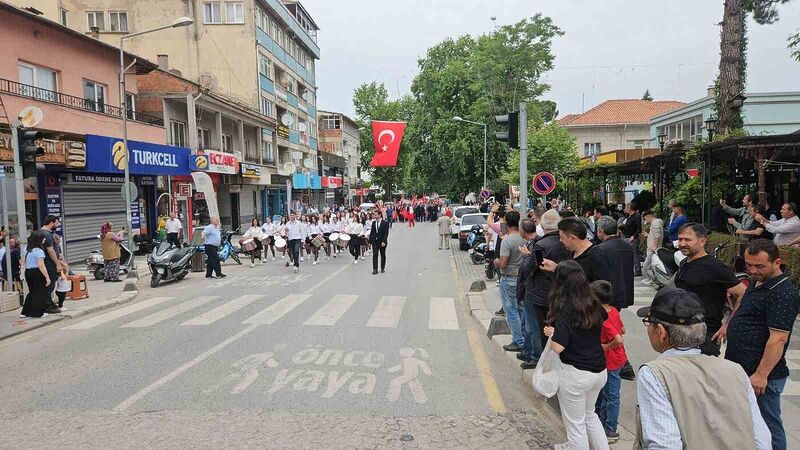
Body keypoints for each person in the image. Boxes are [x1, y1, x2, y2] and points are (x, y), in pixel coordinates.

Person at [635, 287, 771, 449]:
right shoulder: (735, 370)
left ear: (661, 332)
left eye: (649, 323)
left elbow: (665, 444)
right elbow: (762, 439)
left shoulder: (655, 374)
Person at [725, 239, 800, 450]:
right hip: (742, 369)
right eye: (749, 265)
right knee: (748, 424)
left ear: (777, 262)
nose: (753, 270)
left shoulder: (783, 292)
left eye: (759, 266)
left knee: (768, 426)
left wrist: (761, 374)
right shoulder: (758, 282)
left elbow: (778, 338)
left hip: (762, 376)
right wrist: (727, 325)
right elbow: (743, 305)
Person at [543, 261, 609, 450]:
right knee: (590, 415)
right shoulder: (594, 303)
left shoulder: (566, 309)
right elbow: (602, 318)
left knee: (576, 425)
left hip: (576, 374)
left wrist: (552, 333)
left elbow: (557, 347)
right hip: (599, 371)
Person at [674, 222, 747, 356]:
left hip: (705, 335)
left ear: (702, 241)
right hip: (682, 331)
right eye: (680, 239)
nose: (682, 243)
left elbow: (744, 293)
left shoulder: (714, 266)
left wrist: (728, 325)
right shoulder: (685, 262)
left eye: (687, 239)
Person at [518, 211, 569, 369]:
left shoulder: (541, 245)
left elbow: (530, 268)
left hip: (539, 292)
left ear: (543, 226)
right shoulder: (565, 242)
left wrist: (527, 257)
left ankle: (537, 357)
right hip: (559, 291)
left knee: (536, 328)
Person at [590, 280, 627, 443]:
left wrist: (605, 346)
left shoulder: (603, 319)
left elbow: (618, 339)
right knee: (604, 393)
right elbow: (623, 329)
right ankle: (600, 421)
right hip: (616, 358)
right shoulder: (613, 311)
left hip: (611, 361)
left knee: (611, 395)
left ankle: (610, 429)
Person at [494, 210, 526, 353]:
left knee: (511, 311)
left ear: (506, 223)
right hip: (522, 279)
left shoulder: (507, 241)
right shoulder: (525, 238)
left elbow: (503, 263)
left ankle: (518, 341)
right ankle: (524, 338)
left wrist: (496, 262)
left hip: (510, 279)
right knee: (522, 310)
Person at [593, 216, 634, 310]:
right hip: (623, 290)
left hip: (607, 293)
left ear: (601, 231)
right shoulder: (627, 246)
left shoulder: (600, 249)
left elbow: (599, 274)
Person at [21, 230, 51, 319]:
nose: (44, 240)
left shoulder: (26, 249)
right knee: (39, 293)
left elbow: (22, 261)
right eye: (43, 238)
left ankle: (25, 312)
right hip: (37, 272)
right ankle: (37, 313)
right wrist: (47, 277)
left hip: (28, 272)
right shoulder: (39, 251)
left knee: (32, 292)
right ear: (39, 240)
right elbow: (41, 265)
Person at [40, 215, 63, 312]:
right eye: (56, 223)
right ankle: (48, 305)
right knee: (50, 285)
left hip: (44, 263)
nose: (58, 225)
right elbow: (50, 251)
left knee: (47, 285)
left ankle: (47, 303)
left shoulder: (40, 232)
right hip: (49, 264)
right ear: (51, 223)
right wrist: (58, 264)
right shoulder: (47, 234)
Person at [640, 210, 664, 286]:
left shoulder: (655, 223)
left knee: (647, 265)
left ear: (649, 216)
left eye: (645, 219)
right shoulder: (657, 222)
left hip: (653, 248)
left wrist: (655, 246)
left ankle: (651, 279)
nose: (646, 221)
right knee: (651, 265)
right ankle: (651, 279)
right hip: (653, 247)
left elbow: (657, 235)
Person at [622, 203, 642, 276]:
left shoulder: (636, 216)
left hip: (632, 237)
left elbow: (639, 228)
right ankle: (633, 269)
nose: (625, 209)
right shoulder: (630, 217)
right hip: (627, 236)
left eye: (626, 207)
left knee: (634, 254)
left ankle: (637, 270)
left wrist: (634, 236)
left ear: (630, 208)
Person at [370, 210, 389, 274]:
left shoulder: (385, 223)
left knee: (382, 254)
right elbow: (372, 233)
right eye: (374, 215)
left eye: (376, 215)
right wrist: (370, 241)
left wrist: (384, 241)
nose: (374, 216)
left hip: (382, 242)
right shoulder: (373, 223)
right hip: (375, 242)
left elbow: (386, 233)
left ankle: (382, 267)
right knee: (375, 254)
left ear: (379, 215)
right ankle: (375, 269)